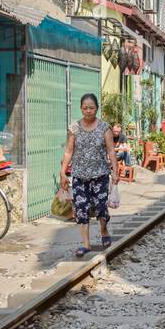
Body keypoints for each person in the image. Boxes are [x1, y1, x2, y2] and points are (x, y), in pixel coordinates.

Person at [60, 93, 119, 257]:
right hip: (79, 176)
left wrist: (115, 170)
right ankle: (86, 244)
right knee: (81, 209)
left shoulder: (104, 128)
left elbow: (111, 151)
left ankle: (104, 230)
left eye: (91, 108)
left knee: (101, 207)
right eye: (85, 108)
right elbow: (68, 152)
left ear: (96, 109)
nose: (88, 111)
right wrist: (63, 173)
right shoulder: (74, 128)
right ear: (81, 108)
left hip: (100, 175)